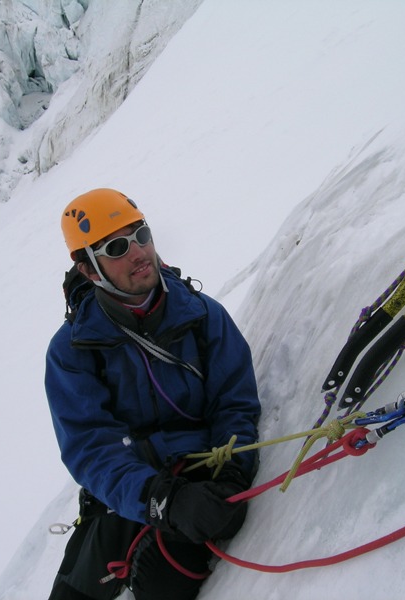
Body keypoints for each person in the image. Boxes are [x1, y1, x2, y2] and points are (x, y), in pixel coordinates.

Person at [44, 188, 262, 600]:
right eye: (117, 247)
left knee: (165, 579)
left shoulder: (202, 316)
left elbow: (234, 403)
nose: (138, 252)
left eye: (140, 235)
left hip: (200, 470)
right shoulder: (72, 351)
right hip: (132, 490)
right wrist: (160, 499)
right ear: (88, 270)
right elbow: (92, 450)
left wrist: (232, 470)